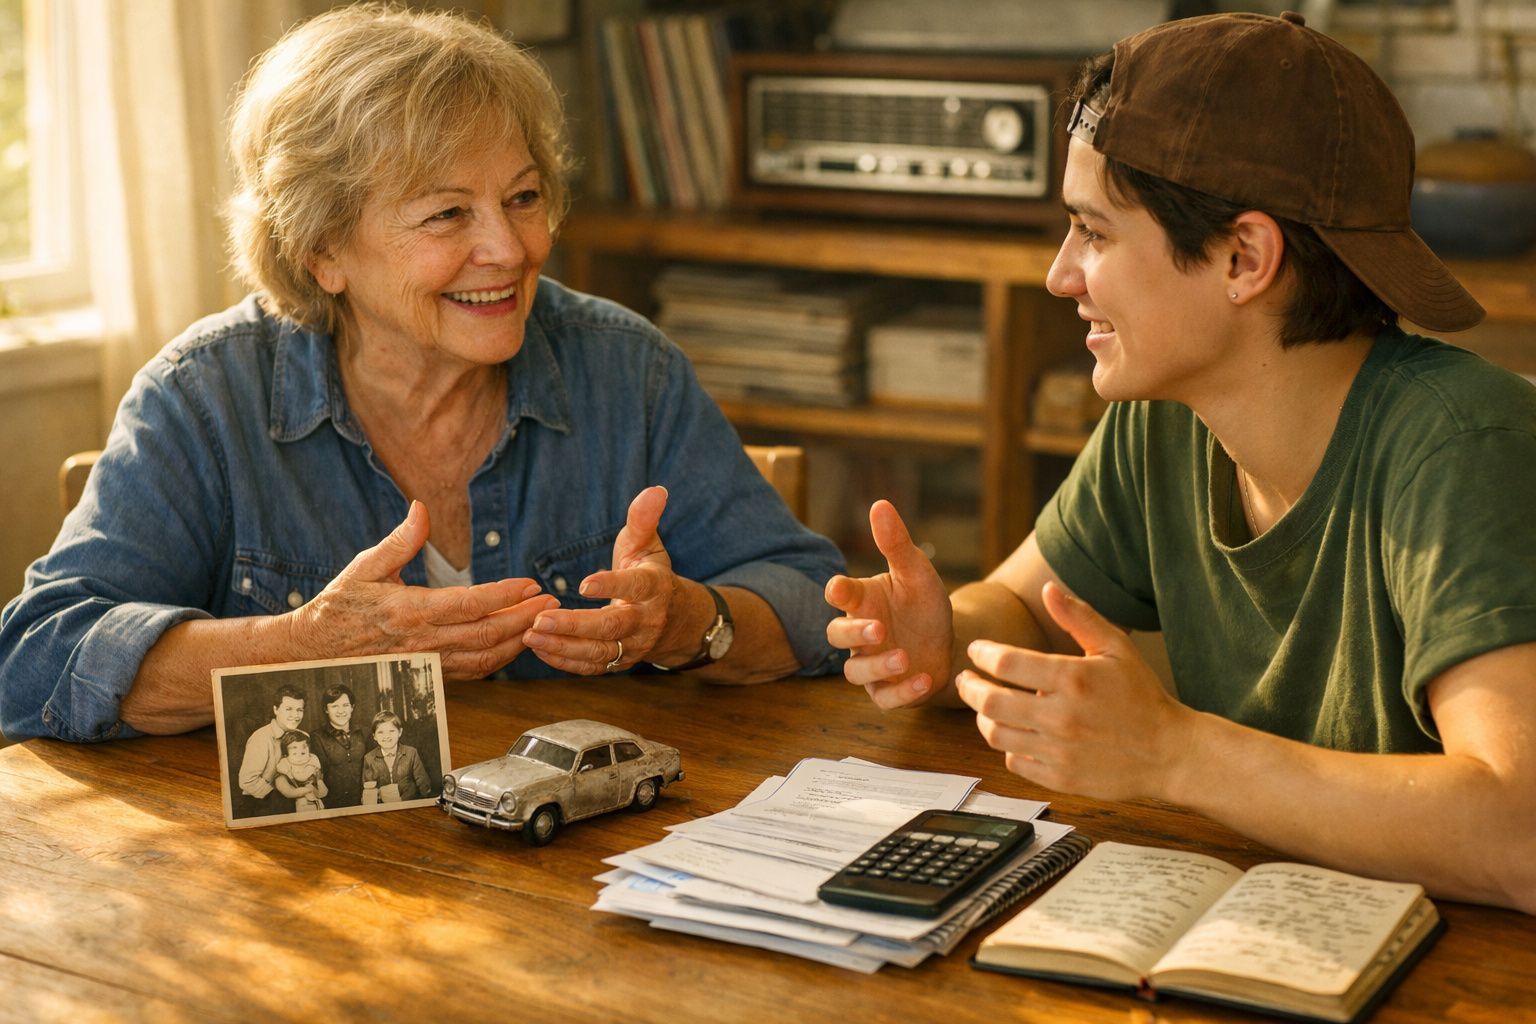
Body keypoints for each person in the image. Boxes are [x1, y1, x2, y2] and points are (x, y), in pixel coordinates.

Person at [825, 12, 1536, 914]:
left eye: (1095, 233)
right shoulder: (1169, 416)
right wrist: (943, 636)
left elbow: (1521, 835)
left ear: (1244, 258)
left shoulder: (1464, 446)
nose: (1060, 274)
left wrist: (1171, 751)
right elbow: (1017, 609)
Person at [0, 3, 845, 745]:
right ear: (322, 250)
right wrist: (299, 649)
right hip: (294, 885)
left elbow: (813, 602)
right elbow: (35, 661)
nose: (512, 251)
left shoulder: (627, 369)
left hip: (581, 859)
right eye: (448, 214)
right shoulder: (204, 397)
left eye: (521, 198)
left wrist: (692, 624)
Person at [237, 684, 306, 817]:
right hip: (262, 805)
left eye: (299, 710)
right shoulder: (261, 737)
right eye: (289, 709)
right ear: (276, 709)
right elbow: (247, 781)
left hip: (296, 802)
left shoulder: (303, 736)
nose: (295, 715)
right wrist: (280, 800)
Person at [312, 685, 369, 808]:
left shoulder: (365, 733)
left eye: (345, 705)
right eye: (334, 706)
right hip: (332, 805)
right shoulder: (317, 737)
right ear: (326, 709)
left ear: (352, 707)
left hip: (364, 802)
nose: (341, 711)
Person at [362, 711, 431, 802]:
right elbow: (368, 789)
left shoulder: (411, 753)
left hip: (408, 803)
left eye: (391, 731)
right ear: (374, 736)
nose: (387, 736)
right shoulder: (369, 758)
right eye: (381, 732)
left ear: (400, 732)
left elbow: (424, 785)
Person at [273, 730, 328, 813]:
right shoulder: (284, 769)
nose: (299, 757)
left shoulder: (312, 766)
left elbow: (322, 792)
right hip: (293, 807)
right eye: (294, 754)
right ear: (286, 755)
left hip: (316, 806)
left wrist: (319, 782)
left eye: (303, 753)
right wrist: (304, 790)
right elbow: (287, 791)